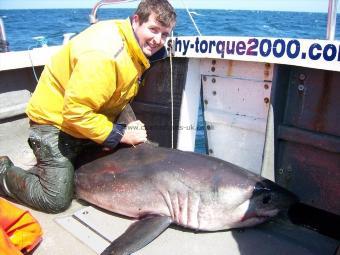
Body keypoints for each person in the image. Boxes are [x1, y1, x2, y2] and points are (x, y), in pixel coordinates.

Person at [0, 0, 176, 213]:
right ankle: (3, 171)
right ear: (136, 20)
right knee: (55, 199)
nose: (158, 40)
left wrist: (127, 126)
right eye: (153, 30)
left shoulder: (134, 45)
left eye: (165, 34)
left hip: (89, 119)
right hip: (54, 123)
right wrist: (121, 135)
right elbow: (76, 113)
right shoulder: (105, 54)